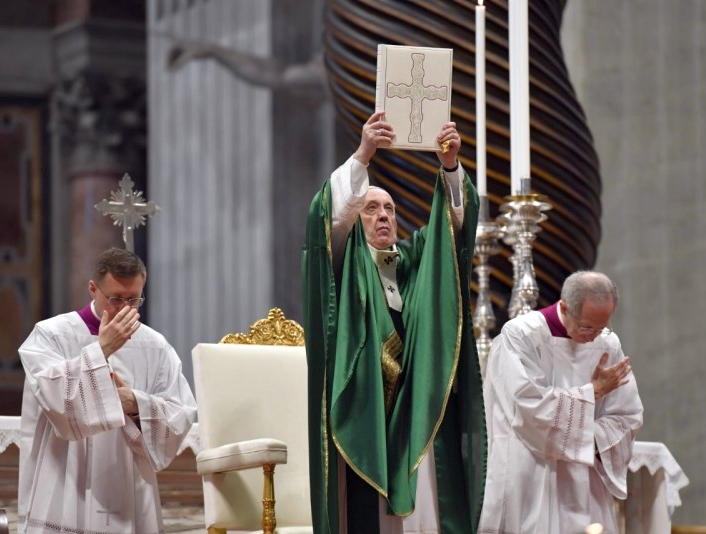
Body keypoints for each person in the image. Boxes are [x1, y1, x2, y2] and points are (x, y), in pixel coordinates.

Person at [302, 110, 486, 534]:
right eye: (370, 208)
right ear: (353, 216)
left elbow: (452, 234)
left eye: (389, 208)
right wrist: (365, 154)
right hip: (366, 406)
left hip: (413, 405)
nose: (383, 215)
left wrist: (451, 167)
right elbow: (325, 218)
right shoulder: (342, 262)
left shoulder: (413, 261)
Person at [17, 248, 197, 534]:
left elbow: (181, 411)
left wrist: (137, 403)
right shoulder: (50, 335)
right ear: (93, 289)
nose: (124, 308)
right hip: (67, 478)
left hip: (129, 479)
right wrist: (102, 350)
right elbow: (54, 401)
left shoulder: (155, 345)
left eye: (133, 299)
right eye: (115, 298)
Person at [478, 270, 644, 534]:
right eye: (587, 326)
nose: (594, 336)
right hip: (532, 474)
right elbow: (527, 410)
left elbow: (627, 415)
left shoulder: (608, 344)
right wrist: (592, 393)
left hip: (585, 481)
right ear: (565, 307)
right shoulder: (520, 336)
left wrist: (591, 439)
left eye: (603, 327)